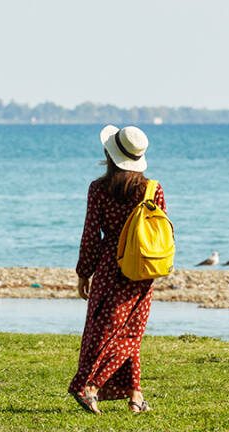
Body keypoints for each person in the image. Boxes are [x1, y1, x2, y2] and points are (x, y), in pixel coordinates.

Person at [68, 125, 167, 414]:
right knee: (130, 333)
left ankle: (112, 390)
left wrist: (84, 273)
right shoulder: (152, 190)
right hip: (141, 266)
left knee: (105, 331)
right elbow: (159, 233)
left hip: (110, 266)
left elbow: (90, 235)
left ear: (109, 156)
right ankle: (106, 390)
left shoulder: (98, 189)